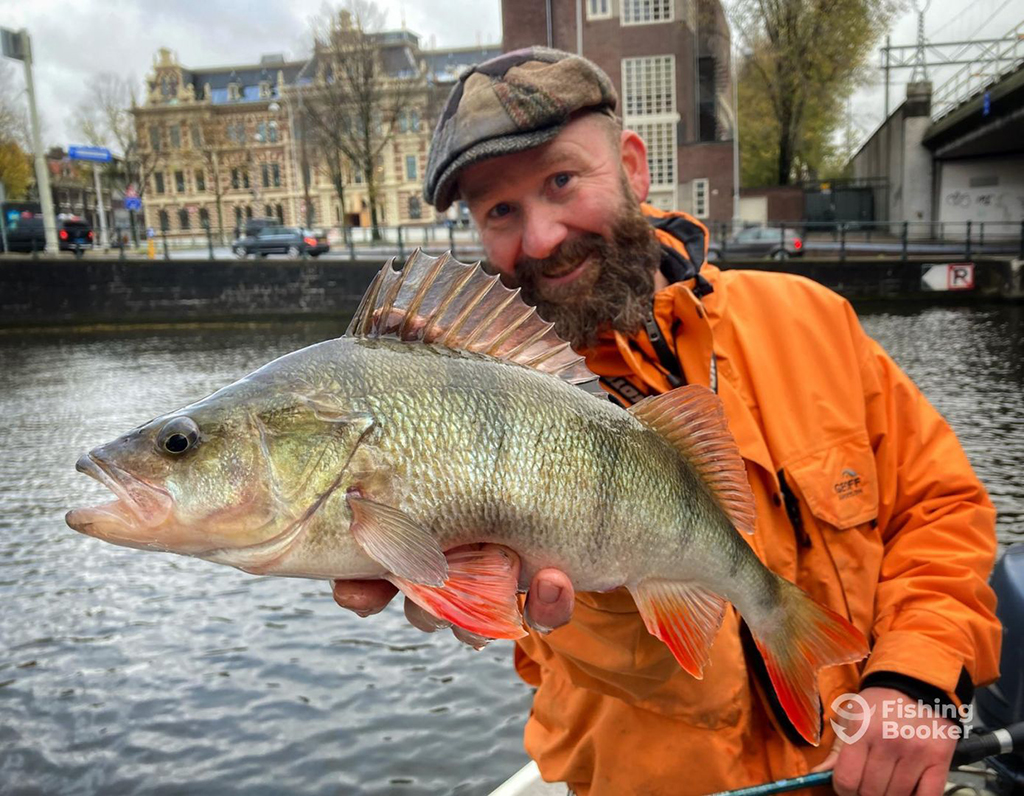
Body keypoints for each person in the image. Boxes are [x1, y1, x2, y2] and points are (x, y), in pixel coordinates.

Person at [331, 48, 1001, 796]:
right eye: (500, 211)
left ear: (632, 166)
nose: (544, 235)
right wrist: (564, 596)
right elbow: (604, 675)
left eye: (561, 179)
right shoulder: (483, 393)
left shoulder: (811, 321)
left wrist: (918, 676)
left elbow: (942, 510)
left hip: (872, 772)